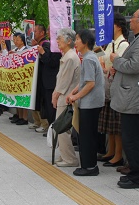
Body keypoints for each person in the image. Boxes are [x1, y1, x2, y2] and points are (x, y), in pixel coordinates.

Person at [110, 9, 139, 189]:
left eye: (134, 17)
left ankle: (138, 176)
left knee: (134, 139)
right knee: (132, 138)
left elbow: (134, 66)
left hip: (134, 99)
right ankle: (135, 172)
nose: (130, 20)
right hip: (131, 97)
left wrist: (116, 60)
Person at [66, 29, 105, 176]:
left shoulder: (88, 59)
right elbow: (84, 81)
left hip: (91, 104)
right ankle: (89, 165)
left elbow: (90, 84)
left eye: (77, 39)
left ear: (85, 42)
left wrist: (76, 97)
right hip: (91, 103)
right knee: (87, 134)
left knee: (87, 136)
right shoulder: (89, 57)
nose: (75, 42)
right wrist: (74, 92)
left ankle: (89, 167)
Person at [98, 13, 129, 168]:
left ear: (117, 25)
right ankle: (110, 151)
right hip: (109, 87)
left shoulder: (123, 44)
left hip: (116, 88)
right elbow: (106, 60)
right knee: (110, 125)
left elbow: (120, 64)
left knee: (117, 125)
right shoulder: (111, 44)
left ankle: (118, 155)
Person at [53, 29, 81, 168]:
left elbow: (64, 81)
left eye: (59, 38)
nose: (57, 41)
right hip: (64, 96)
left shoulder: (70, 57)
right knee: (61, 129)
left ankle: (70, 159)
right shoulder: (68, 56)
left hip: (66, 97)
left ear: (69, 41)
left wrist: (56, 94)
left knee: (63, 129)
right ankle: (65, 155)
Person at [34, 24, 59, 134]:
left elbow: (52, 62)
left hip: (51, 82)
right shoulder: (50, 44)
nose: (49, 32)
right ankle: (51, 129)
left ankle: (53, 129)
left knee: (51, 107)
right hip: (45, 81)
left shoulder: (50, 46)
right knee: (47, 106)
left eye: (50, 30)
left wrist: (43, 53)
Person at [9, 32, 30, 125]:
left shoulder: (26, 50)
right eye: (15, 40)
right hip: (15, 77)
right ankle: (19, 115)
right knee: (17, 97)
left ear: (22, 41)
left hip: (24, 78)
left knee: (23, 97)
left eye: (17, 40)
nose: (16, 41)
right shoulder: (16, 49)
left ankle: (24, 117)